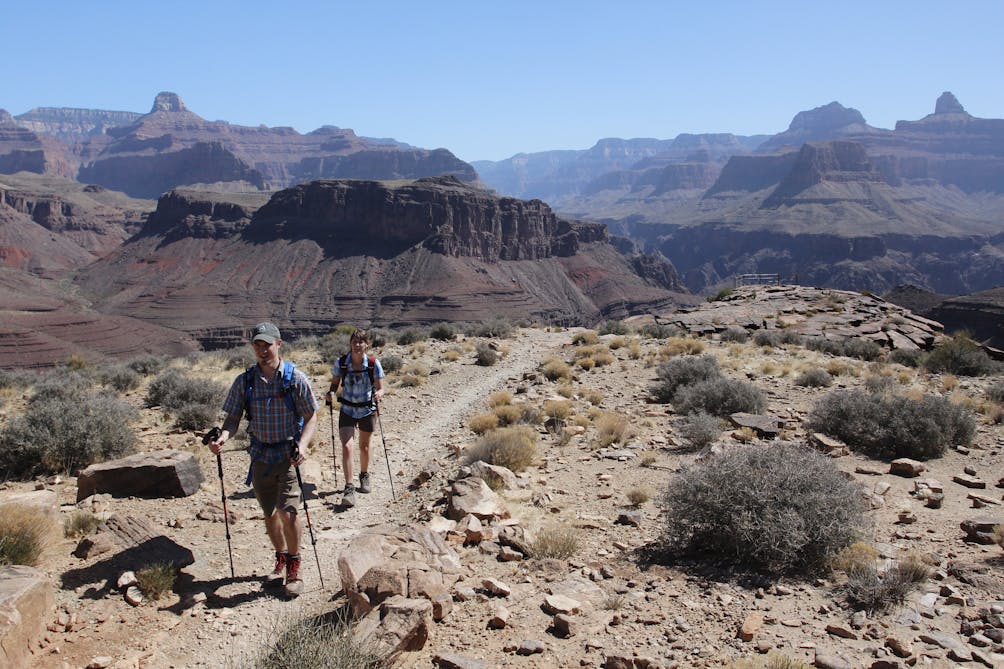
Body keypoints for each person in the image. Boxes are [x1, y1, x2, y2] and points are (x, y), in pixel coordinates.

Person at [207, 322, 317, 597]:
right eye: (257, 345)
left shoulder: (295, 379)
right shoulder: (245, 382)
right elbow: (232, 419)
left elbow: (311, 415)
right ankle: (280, 557)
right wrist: (223, 437)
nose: (262, 350)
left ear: (279, 344)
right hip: (259, 456)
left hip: (287, 456)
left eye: (266, 344)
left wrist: (302, 445)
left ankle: (294, 565)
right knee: (269, 514)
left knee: (288, 513)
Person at [326, 329, 385, 508]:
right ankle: (349, 487)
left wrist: (379, 394)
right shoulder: (342, 363)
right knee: (347, 446)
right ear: (350, 344)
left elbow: (381, 387)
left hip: (367, 409)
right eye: (354, 341)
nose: (357, 345)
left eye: (361, 342)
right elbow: (334, 384)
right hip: (347, 410)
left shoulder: (374, 364)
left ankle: (364, 475)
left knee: (364, 447)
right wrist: (330, 393)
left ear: (367, 344)